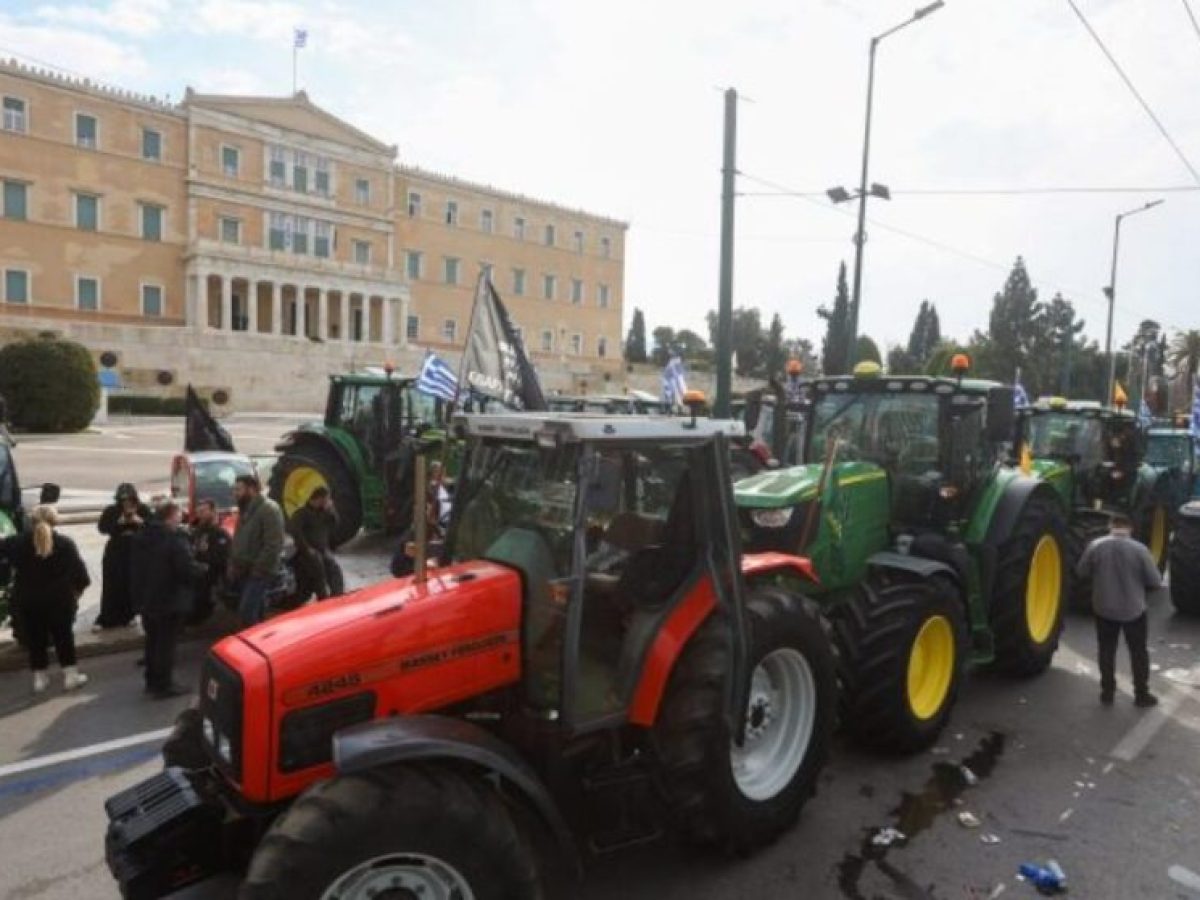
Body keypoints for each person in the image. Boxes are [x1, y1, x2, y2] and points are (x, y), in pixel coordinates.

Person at [1076, 513, 1163, 708]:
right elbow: (1155, 581)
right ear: (1130, 528)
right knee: (1138, 652)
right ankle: (1141, 694)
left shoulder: (1095, 545)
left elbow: (1081, 572)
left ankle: (1107, 692)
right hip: (1134, 610)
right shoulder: (1140, 550)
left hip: (1104, 608)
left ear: (1110, 525)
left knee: (1106, 650)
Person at [0, 505, 90, 693]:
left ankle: (40, 678)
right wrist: (77, 593)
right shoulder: (65, 544)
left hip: (27, 598)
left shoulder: (16, 543)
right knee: (63, 637)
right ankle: (70, 675)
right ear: (55, 521)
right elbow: (80, 575)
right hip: (59, 599)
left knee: (35, 639)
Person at [131, 500, 204, 698]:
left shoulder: (142, 536)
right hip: (169, 600)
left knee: (153, 641)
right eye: (179, 514)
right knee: (166, 645)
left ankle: (152, 681)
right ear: (171, 515)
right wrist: (202, 570)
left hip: (147, 599)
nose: (181, 518)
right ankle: (164, 685)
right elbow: (186, 570)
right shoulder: (174, 539)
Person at [229, 475, 284, 626]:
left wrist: (258, 569)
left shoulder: (269, 509)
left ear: (252, 489)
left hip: (259, 572)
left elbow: (273, 544)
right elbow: (239, 539)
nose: (235, 493)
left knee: (247, 613)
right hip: (244, 570)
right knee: (256, 612)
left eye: (238, 489)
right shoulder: (245, 509)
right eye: (234, 490)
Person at [94, 483, 150, 631]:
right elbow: (102, 528)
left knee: (130, 583)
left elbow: (153, 527)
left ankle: (129, 615)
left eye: (129, 500)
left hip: (135, 552)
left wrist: (140, 521)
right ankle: (107, 617)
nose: (126, 503)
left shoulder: (143, 509)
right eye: (123, 500)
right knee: (112, 583)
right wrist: (118, 522)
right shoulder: (112, 510)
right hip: (116, 551)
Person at [289, 486, 344, 601]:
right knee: (318, 570)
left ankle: (338, 596)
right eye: (325, 499)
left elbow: (335, 523)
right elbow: (296, 533)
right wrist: (307, 548)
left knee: (334, 568)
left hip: (323, 548)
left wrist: (331, 509)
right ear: (318, 499)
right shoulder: (301, 514)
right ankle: (322, 598)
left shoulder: (325, 512)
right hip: (307, 551)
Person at [187, 498, 230, 626]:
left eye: (204, 511)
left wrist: (205, 560)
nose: (200, 514)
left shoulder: (220, 534)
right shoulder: (197, 532)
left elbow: (223, 558)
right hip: (195, 578)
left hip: (211, 580)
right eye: (198, 511)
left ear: (213, 512)